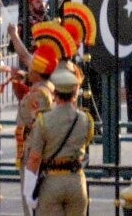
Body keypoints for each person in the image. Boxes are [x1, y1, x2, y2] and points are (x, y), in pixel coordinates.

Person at [23, 66, 94, 216]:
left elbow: (35, 158)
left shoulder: (44, 120)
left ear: (55, 93)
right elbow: (86, 141)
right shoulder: (85, 119)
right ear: (75, 93)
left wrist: (29, 191)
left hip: (52, 181)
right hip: (76, 181)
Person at [15, 44, 59, 216]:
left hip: (34, 150)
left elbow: (34, 121)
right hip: (37, 148)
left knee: (31, 198)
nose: (29, 70)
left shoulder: (39, 94)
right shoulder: (48, 87)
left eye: (31, 68)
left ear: (38, 72)